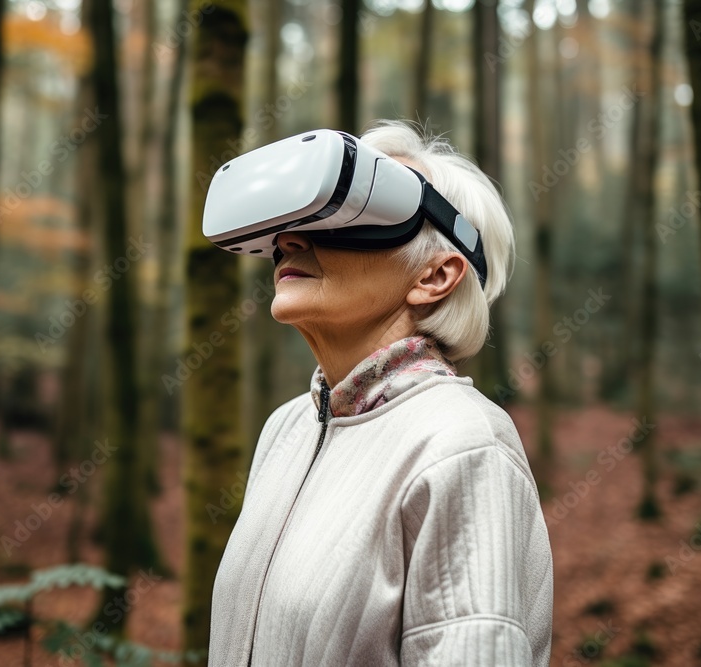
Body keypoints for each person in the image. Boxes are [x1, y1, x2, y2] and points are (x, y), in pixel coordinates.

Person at [208, 119, 553, 666]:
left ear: (436, 276)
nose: (289, 239)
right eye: (300, 215)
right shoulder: (285, 429)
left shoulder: (462, 446)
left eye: (355, 214)